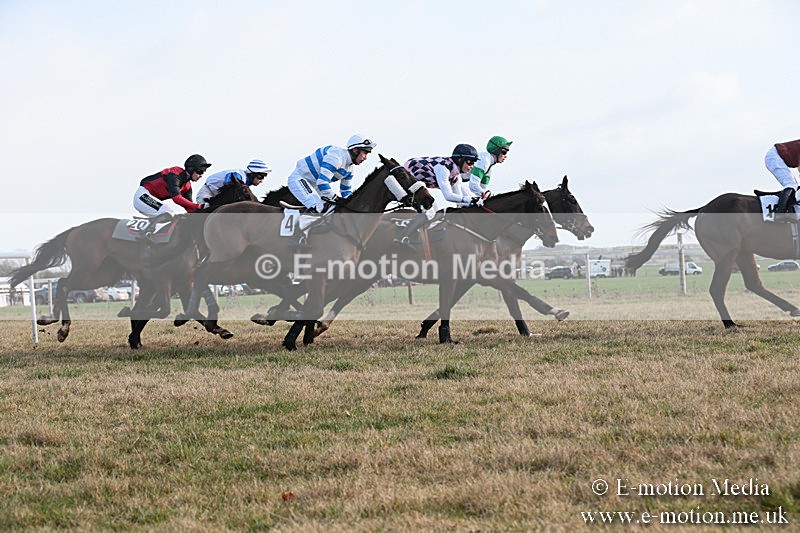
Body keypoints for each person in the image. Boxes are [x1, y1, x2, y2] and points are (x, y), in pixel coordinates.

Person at [286, 134, 377, 247]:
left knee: (332, 208)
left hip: (314, 184)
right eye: (365, 152)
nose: (365, 157)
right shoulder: (336, 157)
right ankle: (297, 236)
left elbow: (346, 193)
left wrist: (352, 205)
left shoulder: (350, 169)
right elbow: (322, 183)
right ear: (355, 150)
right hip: (299, 179)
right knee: (317, 205)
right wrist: (336, 199)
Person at [393, 144, 484, 248]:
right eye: (469, 162)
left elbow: (459, 202)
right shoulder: (443, 169)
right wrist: (471, 200)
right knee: (431, 211)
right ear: (459, 160)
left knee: (434, 209)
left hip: (419, 183)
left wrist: (473, 204)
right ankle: (401, 238)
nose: (472, 166)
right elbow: (448, 196)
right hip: (407, 178)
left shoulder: (456, 176)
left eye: (473, 163)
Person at [132, 154, 211, 243]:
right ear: (191, 169)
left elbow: (190, 208)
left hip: (150, 198)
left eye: (203, 173)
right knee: (168, 213)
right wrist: (199, 206)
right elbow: (177, 198)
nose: (201, 175)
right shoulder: (174, 174)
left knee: (168, 215)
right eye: (200, 172)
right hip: (142, 195)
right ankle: (145, 233)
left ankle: (151, 231)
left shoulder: (187, 186)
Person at [196, 159, 271, 207]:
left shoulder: (244, 182)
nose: (262, 180)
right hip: (207, 193)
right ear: (252, 174)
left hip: (217, 196)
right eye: (260, 176)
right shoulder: (237, 176)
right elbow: (230, 192)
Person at [765, 139, 800, 220]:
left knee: (792, 184)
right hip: (774, 156)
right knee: (791, 184)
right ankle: (780, 213)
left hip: (777, 156)